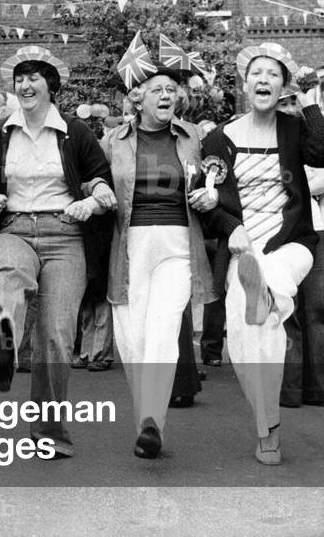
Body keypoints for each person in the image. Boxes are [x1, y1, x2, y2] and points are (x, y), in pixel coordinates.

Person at [0, 46, 114, 458]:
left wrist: (93, 200)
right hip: (13, 227)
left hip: (65, 233)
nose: (25, 85)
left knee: (57, 336)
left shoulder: (76, 133)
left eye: (34, 77)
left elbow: (101, 182)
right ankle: (6, 335)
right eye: (19, 79)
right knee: (12, 271)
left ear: (51, 86)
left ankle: (49, 433)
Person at [200, 42, 324, 464]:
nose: (264, 80)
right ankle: (265, 423)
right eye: (257, 73)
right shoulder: (220, 138)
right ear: (244, 82)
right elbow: (210, 201)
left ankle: (267, 290)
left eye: (273, 74)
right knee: (247, 342)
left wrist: (308, 104)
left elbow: (322, 152)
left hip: (293, 245)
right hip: (243, 253)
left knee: (274, 283)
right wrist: (232, 229)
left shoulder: (295, 130)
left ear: (283, 85)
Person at [100, 48, 217, 459]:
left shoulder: (193, 137)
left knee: (164, 327)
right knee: (132, 338)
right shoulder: (113, 139)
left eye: (172, 89)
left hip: (177, 244)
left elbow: (212, 177)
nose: (167, 95)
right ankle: (145, 417)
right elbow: (93, 180)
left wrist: (208, 192)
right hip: (128, 245)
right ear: (138, 98)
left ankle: (152, 422)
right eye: (158, 90)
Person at [276, 86, 324, 408]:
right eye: (287, 102)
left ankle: (315, 388)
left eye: (295, 101)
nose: (291, 108)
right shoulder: (277, 139)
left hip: (314, 229)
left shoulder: (311, 137)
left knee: (314, 312)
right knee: (288, 311)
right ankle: (293, 390)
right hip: (283, 231)